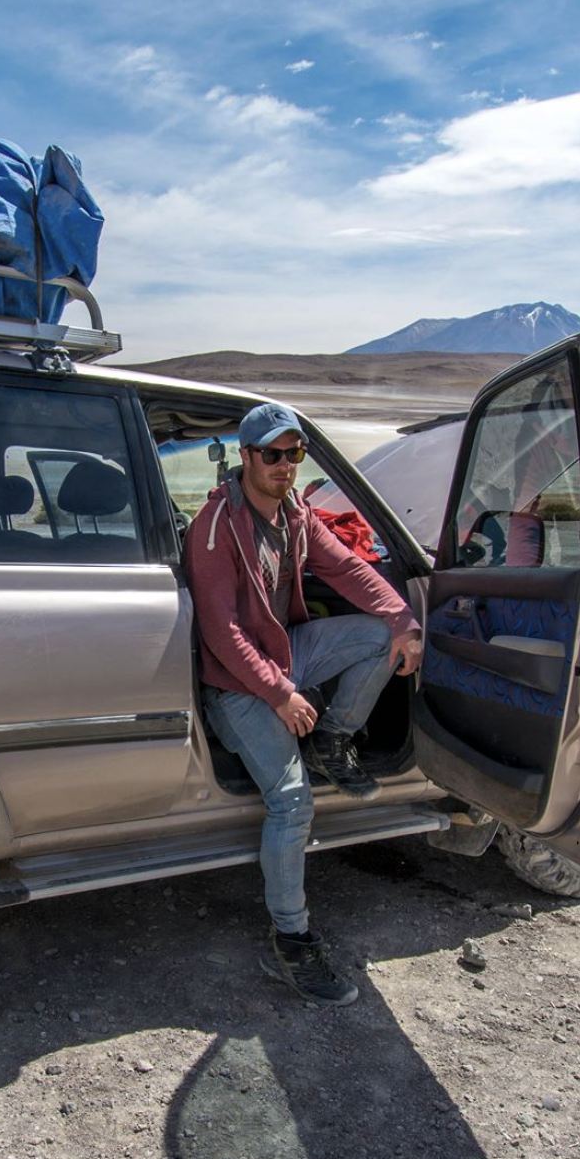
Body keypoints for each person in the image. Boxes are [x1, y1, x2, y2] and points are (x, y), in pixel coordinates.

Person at [185, 403, 424, 1006]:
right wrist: (281, 693)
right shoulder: (214, 530)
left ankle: (332, 740)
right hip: (235, 684)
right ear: (245, 457)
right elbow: (221, 632)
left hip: (283, 656)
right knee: (291, 804)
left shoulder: (297, 514)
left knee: (374, 635)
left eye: (294, 454)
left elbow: (347, 569)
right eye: (272, 454)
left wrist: (402, 618)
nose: (285, 465)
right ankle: (292, 941)